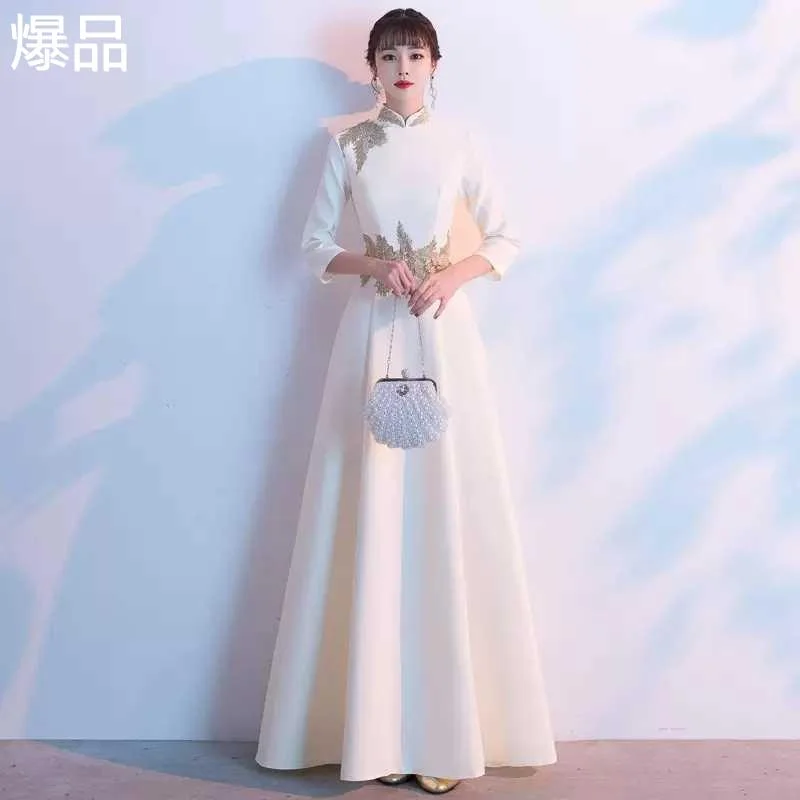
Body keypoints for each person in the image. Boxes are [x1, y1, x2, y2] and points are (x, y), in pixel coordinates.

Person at [255, 8, 557, 794]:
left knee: (441, 509)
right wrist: (371, 266)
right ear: (372, 67)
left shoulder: (460, 141)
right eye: (388, 55)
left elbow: (506, 236)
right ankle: (374, 735)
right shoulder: (347, 143)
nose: (402, 67)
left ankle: (442, 739)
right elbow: (313, 245)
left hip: (444, 335)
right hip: (370, 335)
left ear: (434, 64)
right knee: (369, 505)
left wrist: (453, 275)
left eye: (414, 54)